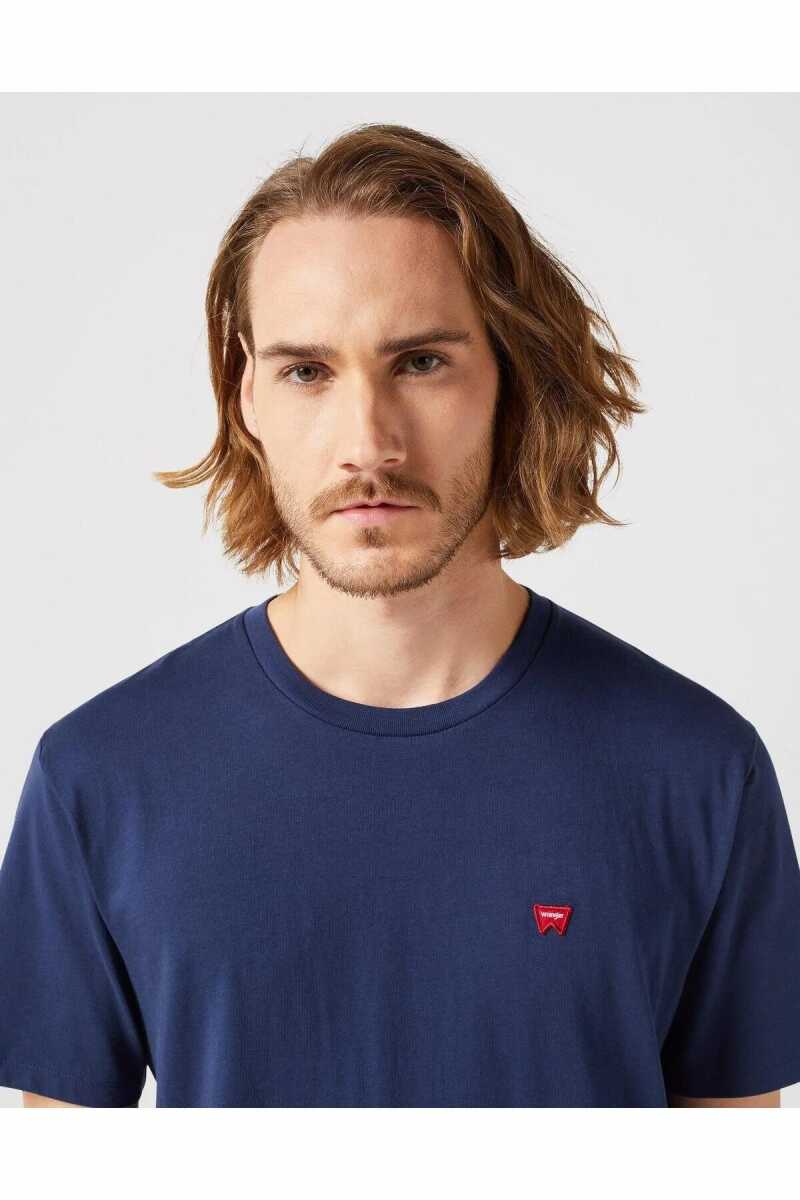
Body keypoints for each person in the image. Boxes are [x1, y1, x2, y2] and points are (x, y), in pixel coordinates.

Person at [1, 122, 799, 1109]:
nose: (366, 442)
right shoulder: (98, 779)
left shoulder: (696, 770)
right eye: (306, 371)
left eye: (419, 362)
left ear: (510, 378)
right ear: (247, 396)